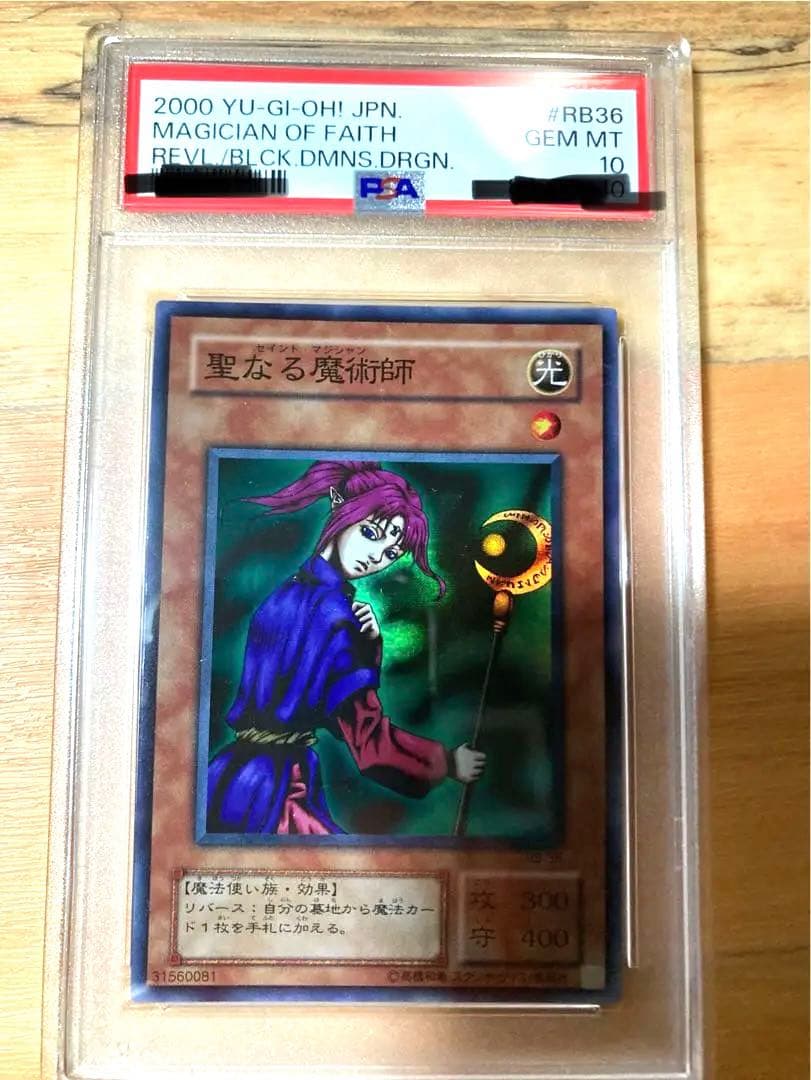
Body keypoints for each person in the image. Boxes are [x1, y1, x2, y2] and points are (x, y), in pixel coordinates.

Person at [207, 459, 485, 834]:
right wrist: (448, 763)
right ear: (341, 507)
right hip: (279, 796)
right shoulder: (336, 617)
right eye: (371, 533)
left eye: (391, 553)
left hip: (229, 778)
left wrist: (365, 653)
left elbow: (308, 687)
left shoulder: (289, 593)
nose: (376, 557)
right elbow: (369, 744)